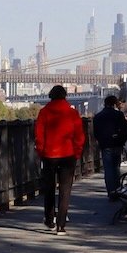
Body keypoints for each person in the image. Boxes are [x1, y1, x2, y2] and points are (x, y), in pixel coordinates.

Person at [34, 85, 86, 233]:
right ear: (65, 96)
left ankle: (49, 220)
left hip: (49, 156)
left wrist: (41, 152)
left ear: (51, 95)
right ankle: (61, 226)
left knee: (49, 188)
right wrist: (76, 153)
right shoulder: (72, 113)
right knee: (65, 190)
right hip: (68, 155)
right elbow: (79, 136)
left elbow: (39, 135)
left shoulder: (44, 112)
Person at [92, 94, 127, 199]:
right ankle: (117, 189)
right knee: (116, 168)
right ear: (114, 104)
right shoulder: (119, 115)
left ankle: (111, 192)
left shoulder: (98, 116)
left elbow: (96, 133)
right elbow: (124, 130)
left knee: (108, 169)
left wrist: (101, 141)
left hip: (105, 145)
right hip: (117, 144)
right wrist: (121, 141)